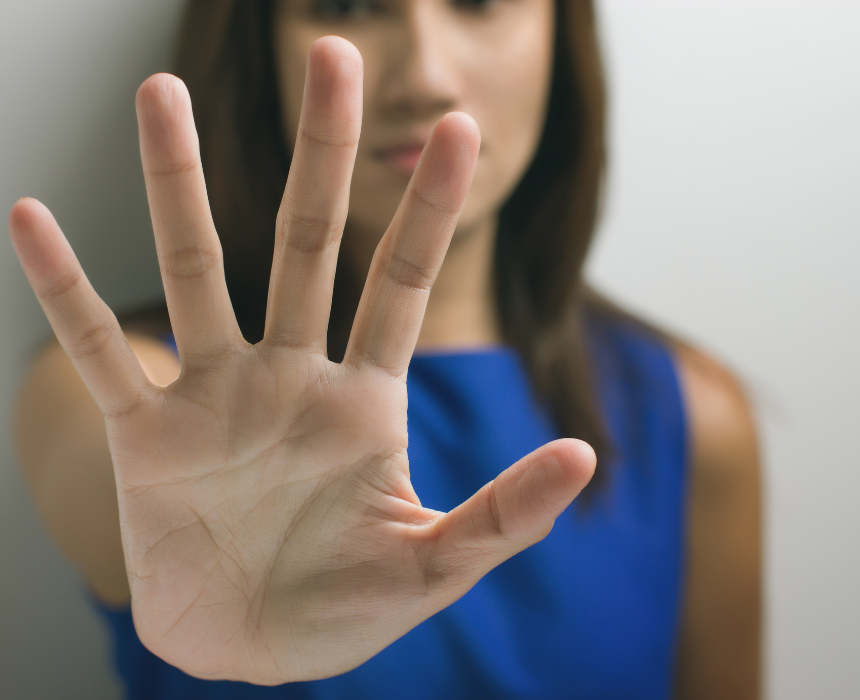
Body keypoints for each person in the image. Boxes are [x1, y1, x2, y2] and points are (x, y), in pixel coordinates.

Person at [9, 0, 761, 697]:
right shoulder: (133, 399)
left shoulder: (695, 417)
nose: (424, 78)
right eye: (345, 4)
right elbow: (106, 470)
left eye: (478, 0)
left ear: (562, 39)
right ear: (256, 45)